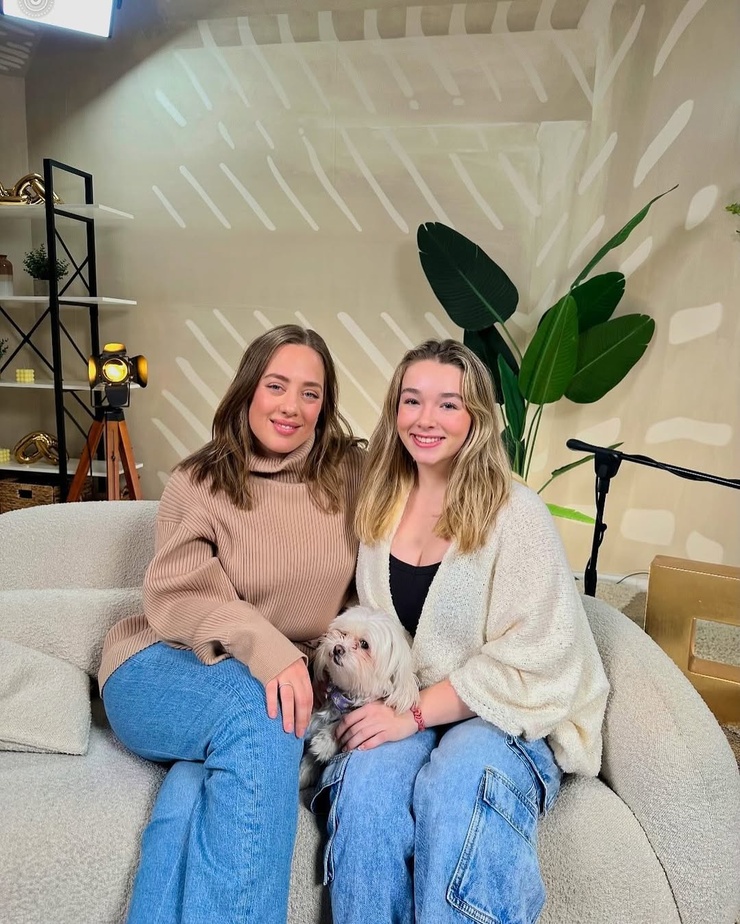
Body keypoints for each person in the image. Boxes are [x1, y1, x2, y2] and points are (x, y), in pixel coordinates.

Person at [312, 339, 610, 924]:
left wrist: (415, 714)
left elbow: (543, 651)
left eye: (448, 404)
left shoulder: (516, 513)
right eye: (412, 400)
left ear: (475, 417)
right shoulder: (378, 504)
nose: (426, 419)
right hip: (402, 703)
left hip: (503, 713)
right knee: (366, 786)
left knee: (458, 782)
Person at [99, 324, 365, 924]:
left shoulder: (353, 476)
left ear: (325, 406)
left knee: (195, 790)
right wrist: (271, 649)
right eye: (276, 385)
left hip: (272, 673)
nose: (291, 406)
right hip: (161, 665)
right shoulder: (201, 479)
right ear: (248, 389)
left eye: (311, 393)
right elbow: (178, 597)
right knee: (265, 710)